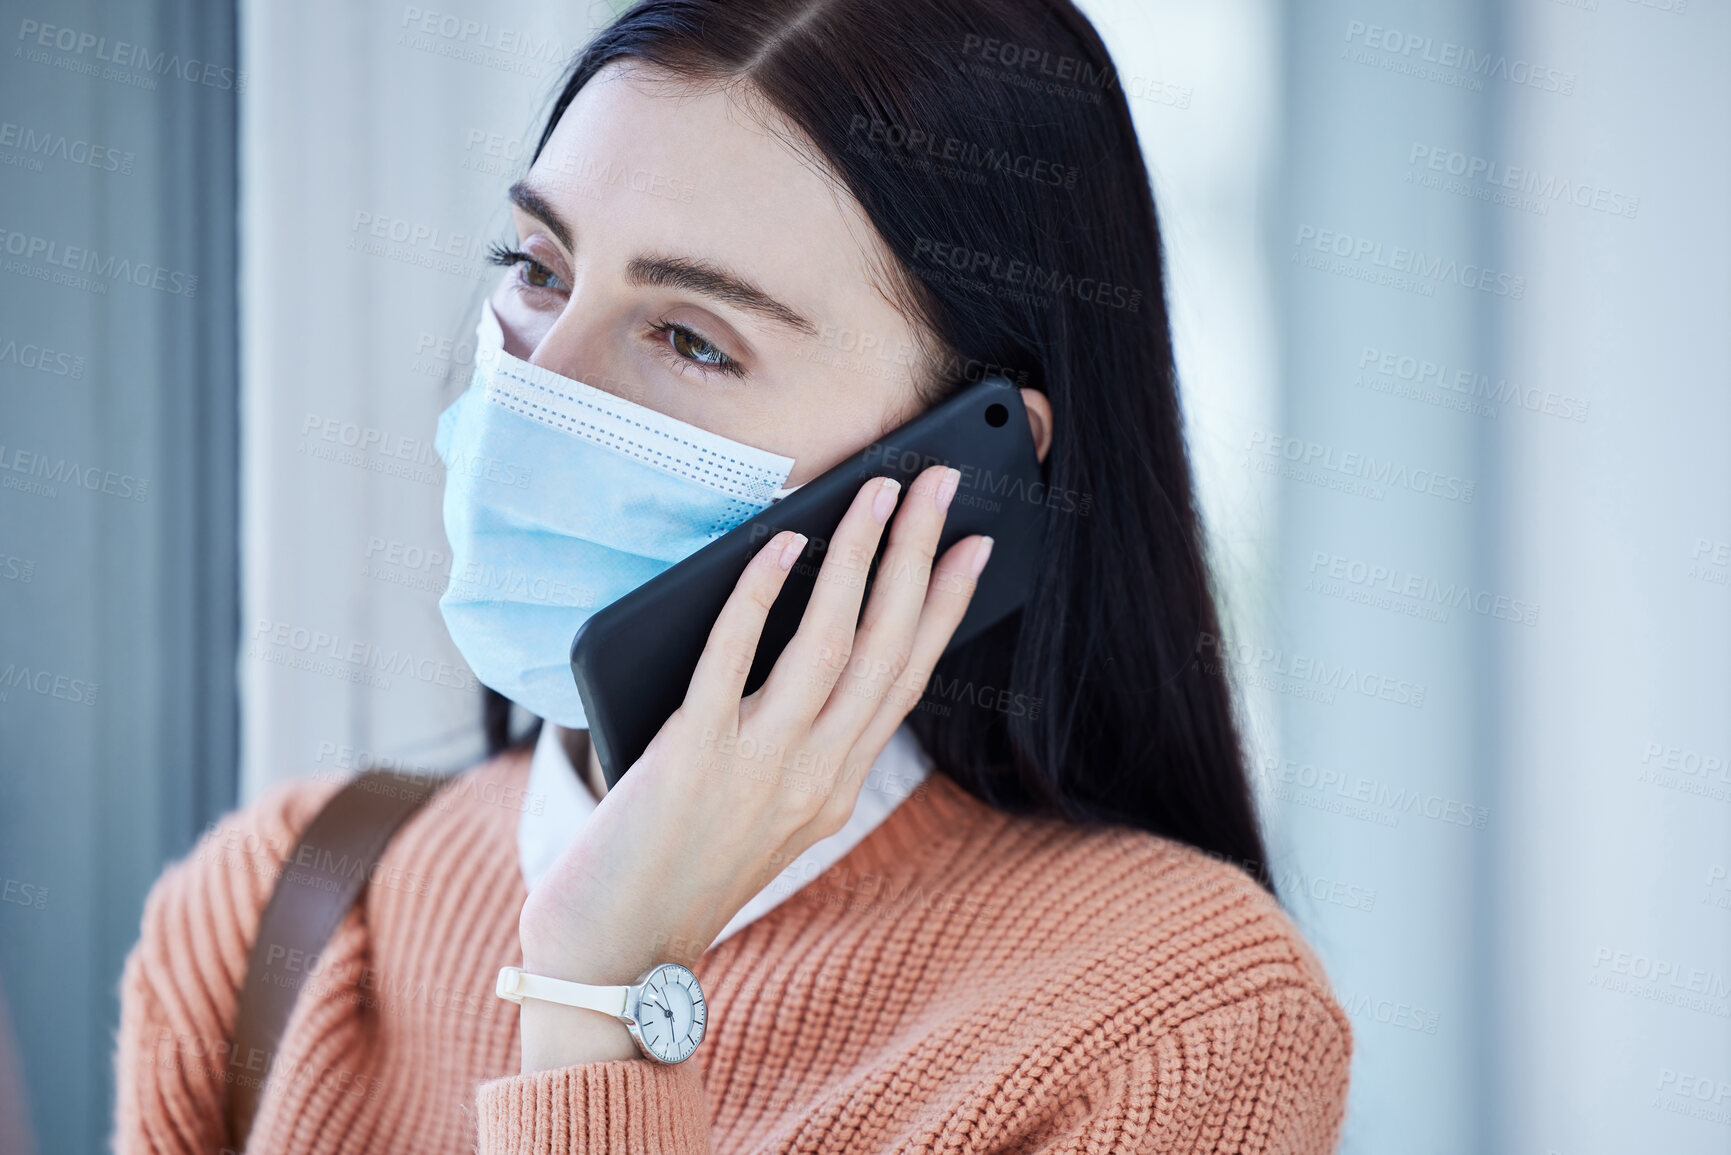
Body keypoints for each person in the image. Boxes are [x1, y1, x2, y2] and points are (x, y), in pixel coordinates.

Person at [113, 1, 1352, 1151]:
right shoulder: (276, 908)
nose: (540, 379)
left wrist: (605, 991)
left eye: (692, 339)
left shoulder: (1174, 1024)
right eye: (541, 267)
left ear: (965, 470)